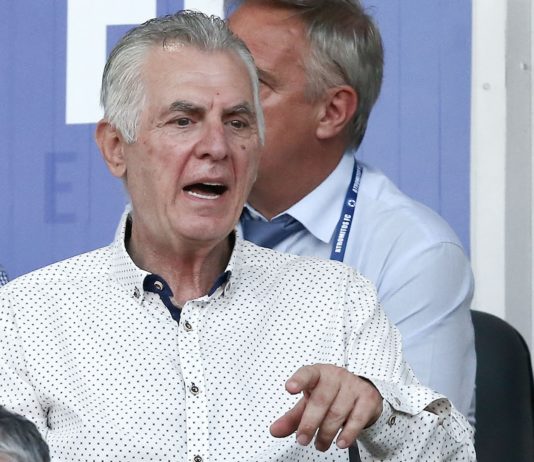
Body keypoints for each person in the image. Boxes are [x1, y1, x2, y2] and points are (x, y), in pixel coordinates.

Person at [0, 11, 475, 461]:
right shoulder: (26, 317)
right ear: (115, 148)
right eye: (183, 120)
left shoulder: (339, 299)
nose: (216, 147)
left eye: (237, 123)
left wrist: (379, 412)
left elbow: (453, 456)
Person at [227, 0, 476, 422]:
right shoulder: (179, 216)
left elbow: (429, 442)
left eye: (251, 83)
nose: (220, 102)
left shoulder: (414, 251)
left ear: (332, 111)